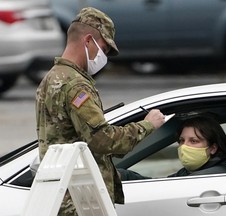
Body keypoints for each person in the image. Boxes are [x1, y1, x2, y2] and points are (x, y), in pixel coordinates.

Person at [35, 7, 165, 215]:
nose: (103, 57)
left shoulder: (51, 78)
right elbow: (103, 139)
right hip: (80, 201)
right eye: (103, 50)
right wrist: (148, 125)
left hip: (63, 195)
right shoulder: (76, 85)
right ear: (88, 41)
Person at [119, 115, 226, 180]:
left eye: (193, 141)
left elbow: (161, 190)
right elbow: (160, 184)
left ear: (213, 148)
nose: (184, 146)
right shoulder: (189, 172)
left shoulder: (210, 176)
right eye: (182, 141)